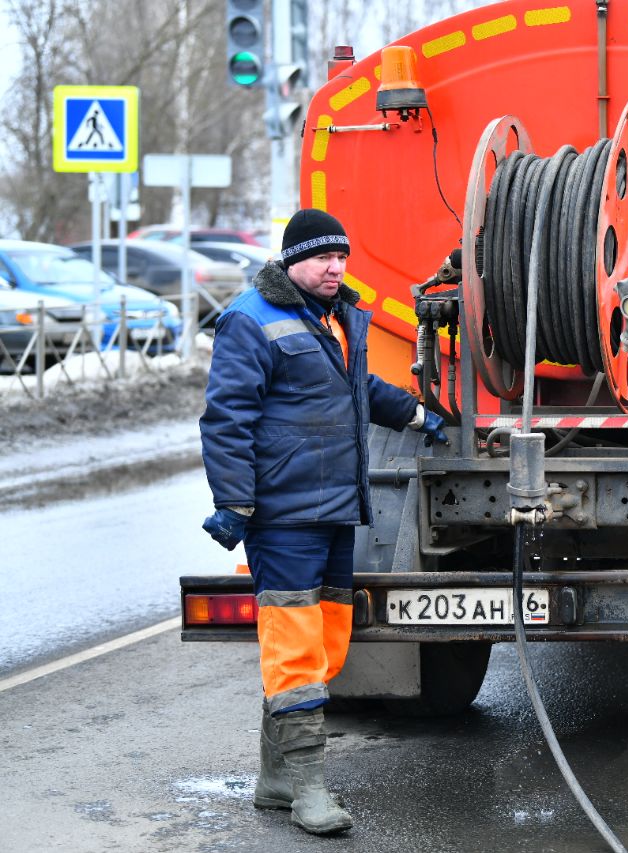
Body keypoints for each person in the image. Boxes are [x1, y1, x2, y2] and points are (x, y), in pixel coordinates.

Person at [199, 208, 444, 835]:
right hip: (282, 518)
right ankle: (308, 788)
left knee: (329, 642)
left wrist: (418, 416)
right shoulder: (251, 321)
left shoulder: (332, 318)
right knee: (296, 648)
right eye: (321, 258)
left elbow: (354, 388)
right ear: (291, 261)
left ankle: (274, 779)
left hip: (336, 508)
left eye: (342, 256)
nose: (336, 267)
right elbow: (226, 421)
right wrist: (236, 504)